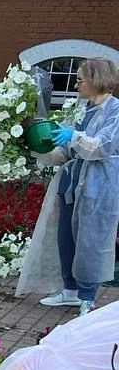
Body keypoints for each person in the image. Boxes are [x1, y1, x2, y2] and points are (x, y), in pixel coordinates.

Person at [17, 57, 119, 317]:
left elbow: (103, 147)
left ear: (96, 79)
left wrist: (74, 137)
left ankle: (88, 296)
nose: (76, 85)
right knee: (66, 238)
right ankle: (70, 290)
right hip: (72, 183)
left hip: (99, 185)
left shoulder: (115, 111)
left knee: (91, 241)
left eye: (80, 80)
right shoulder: (81, 109)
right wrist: (39, 146)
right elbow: (65, 152)